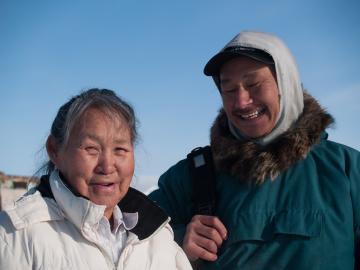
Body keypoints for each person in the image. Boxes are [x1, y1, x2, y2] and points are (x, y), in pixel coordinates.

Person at [149, 31, 360, 269]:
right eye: (229, 90)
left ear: (285, 84)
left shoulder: (347, 170)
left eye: (254, 84)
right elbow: (127, 234)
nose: (241, 101)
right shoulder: (192, 175)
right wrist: (176, 242)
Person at [0, 88, 192, 270]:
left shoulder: (157, 236)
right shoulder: (14, 234)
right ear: (54, 150)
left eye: (120, 149)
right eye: (91, 148)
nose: (107, 166)